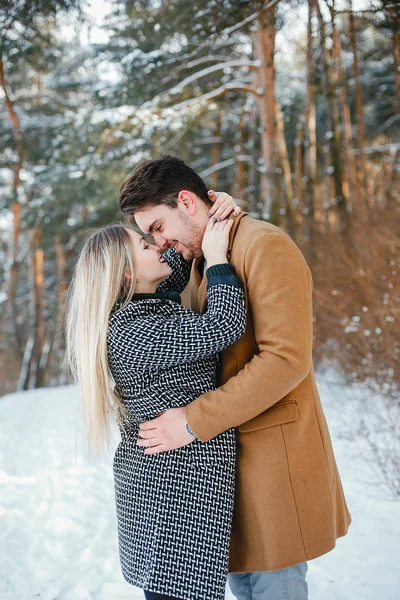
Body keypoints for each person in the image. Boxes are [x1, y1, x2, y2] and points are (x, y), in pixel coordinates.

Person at [118, 154, 352, 600]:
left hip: (269, 461)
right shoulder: (204, 256)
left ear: (187, 202)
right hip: (223, 466)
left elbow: (285, 360)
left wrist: (191, 421)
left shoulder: (263, 244)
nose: (160, 242)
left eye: (158, 228)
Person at [66, 196, 247, 600]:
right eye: (146, 244)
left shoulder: (143, 303)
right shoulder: (131, 331)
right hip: (172, 503)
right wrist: (217, 260)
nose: (159, 244)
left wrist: (209, 207)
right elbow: (222, 325)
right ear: (128, 273)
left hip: (177, 488)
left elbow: (179, 256)